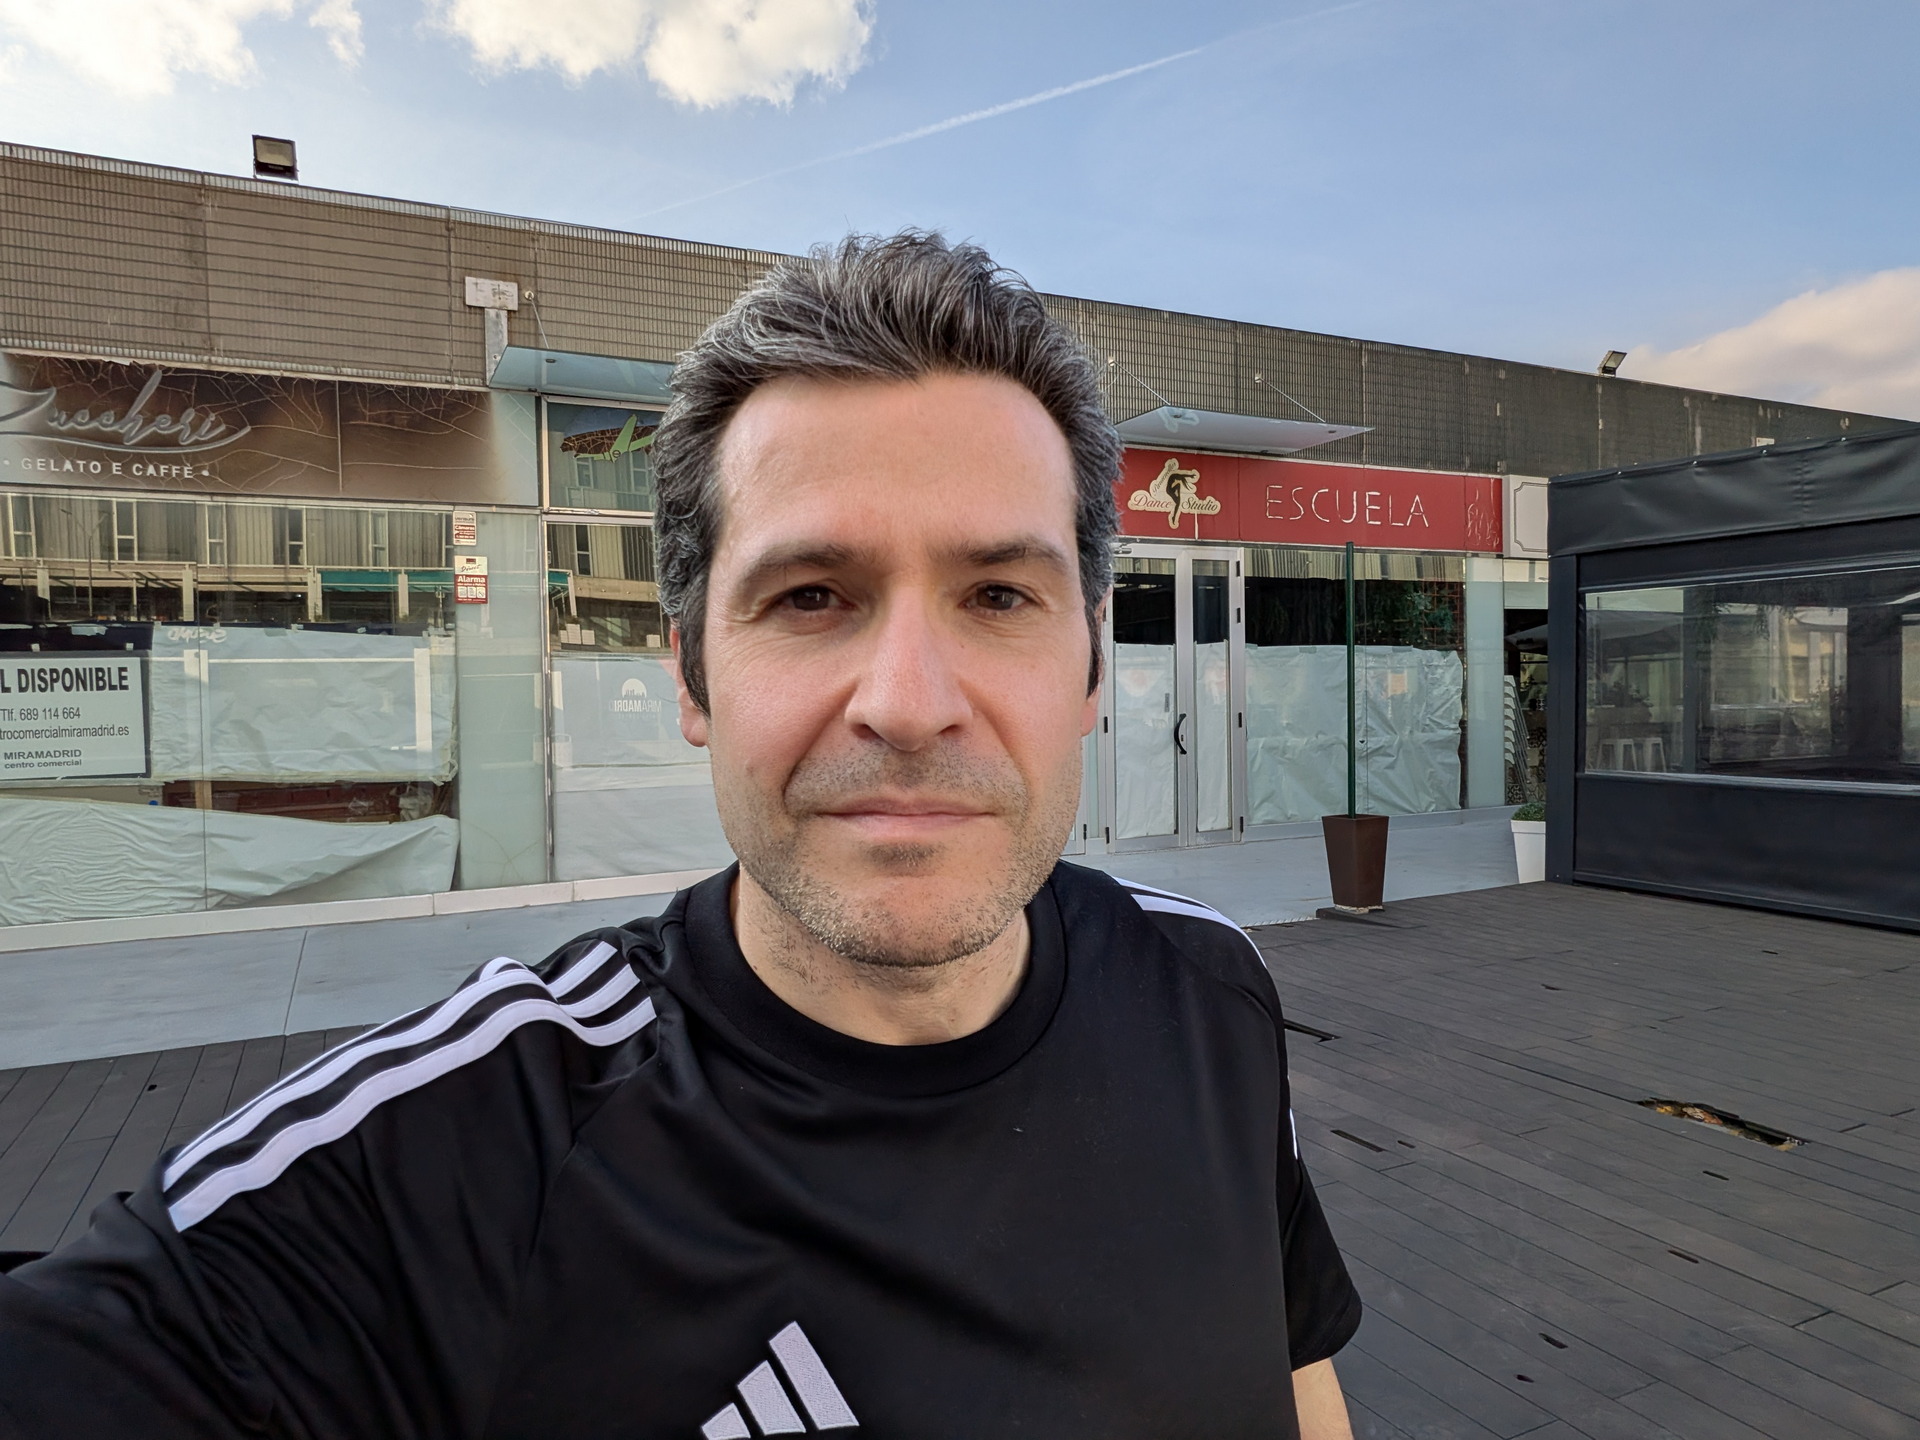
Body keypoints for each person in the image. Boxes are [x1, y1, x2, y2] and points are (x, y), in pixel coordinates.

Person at [0, 232, 1361, 1438]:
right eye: (812, 595)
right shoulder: (458, 1164)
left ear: (1092, 665)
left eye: (1000, 597)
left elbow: (1295, 1381)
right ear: (692, 676)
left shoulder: (1210, 992)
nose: (908, 703)